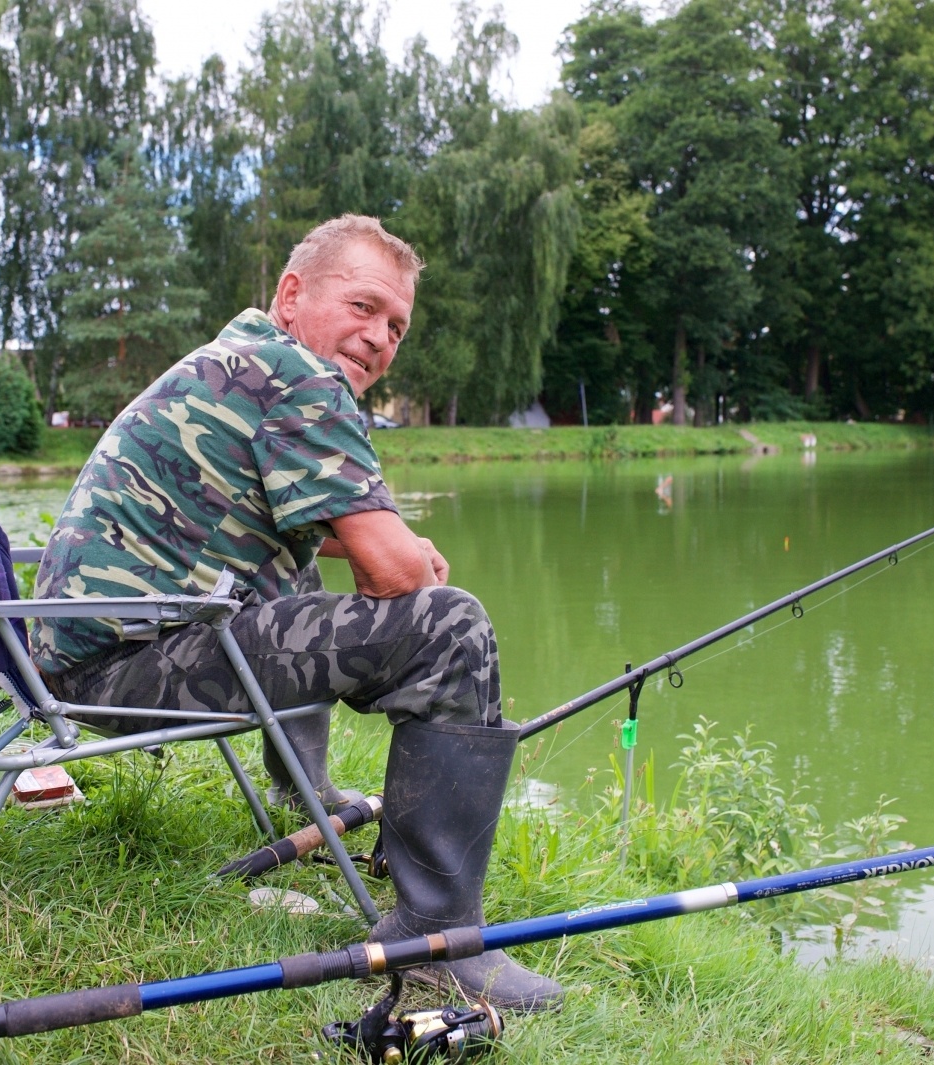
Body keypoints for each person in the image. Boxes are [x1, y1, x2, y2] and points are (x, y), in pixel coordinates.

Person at [31, 214, 563, 1011]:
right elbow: (392, 574)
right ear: (291, 295)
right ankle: (438, 940)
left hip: (82, 657)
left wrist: (396, 549)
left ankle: (301, 792)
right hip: (124, 667)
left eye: (396, 326)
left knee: (299, 575)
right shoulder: (300, 379)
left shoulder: (245, 364)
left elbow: (292, 529)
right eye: (363, 307)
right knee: (451, 627)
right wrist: (406, 558)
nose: (379, 338)